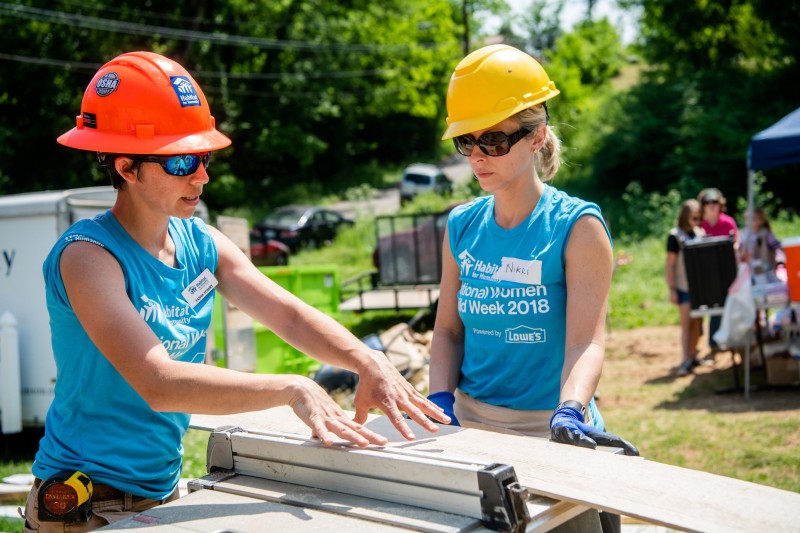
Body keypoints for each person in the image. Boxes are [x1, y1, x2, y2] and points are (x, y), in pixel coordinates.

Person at [22, 51, 448, 533]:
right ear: (126, 167)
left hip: (159, 492)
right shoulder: (87, 257)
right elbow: (158, 383)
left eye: (202, 156)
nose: (201, 176)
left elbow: (286, 315)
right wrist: (292, 388)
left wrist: (367, 362)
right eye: (182, 160)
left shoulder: (199, 242)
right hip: (84, 503)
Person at [427, 44, 638, 532]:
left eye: (494, 140)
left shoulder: (576, 226)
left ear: (536, 135)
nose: (477, 155)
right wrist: (440, 401)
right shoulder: (461, 225)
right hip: (471, 433)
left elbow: (587, 341)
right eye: (466, 141)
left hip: (552, 430)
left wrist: (571, 411)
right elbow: (448, 331)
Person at [665, 199, 706, 376]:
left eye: (699, 218)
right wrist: (672, 288)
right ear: (685, 217)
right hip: (683, 287)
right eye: (694, 218)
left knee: (698, 323)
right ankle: (684, 360)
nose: (697, 221)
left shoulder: (700, 233)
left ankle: (693, 355)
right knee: (686, 325)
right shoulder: (674, 236)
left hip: (699, 287)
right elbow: (670, 265)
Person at [697, 188, 739, 354]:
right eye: (708, 202)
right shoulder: (700, 225)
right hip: (706, 273)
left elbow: (735, 245)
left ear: (720, 204)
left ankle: (720, 340)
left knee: (726, 304)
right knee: (709, 305)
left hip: (726, 271)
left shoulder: (728, 222)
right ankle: (709, 340)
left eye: (714, 202)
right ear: (703, 206)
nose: (711, 205)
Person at [741, 207, 783, 275]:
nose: (750, 221)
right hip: (750, 268)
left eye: (753, 218)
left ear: (762, 220)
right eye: (747, 219)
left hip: (766, 267)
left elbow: (777, 246)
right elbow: (741, 249)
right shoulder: (745, 233)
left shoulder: (766, 233)